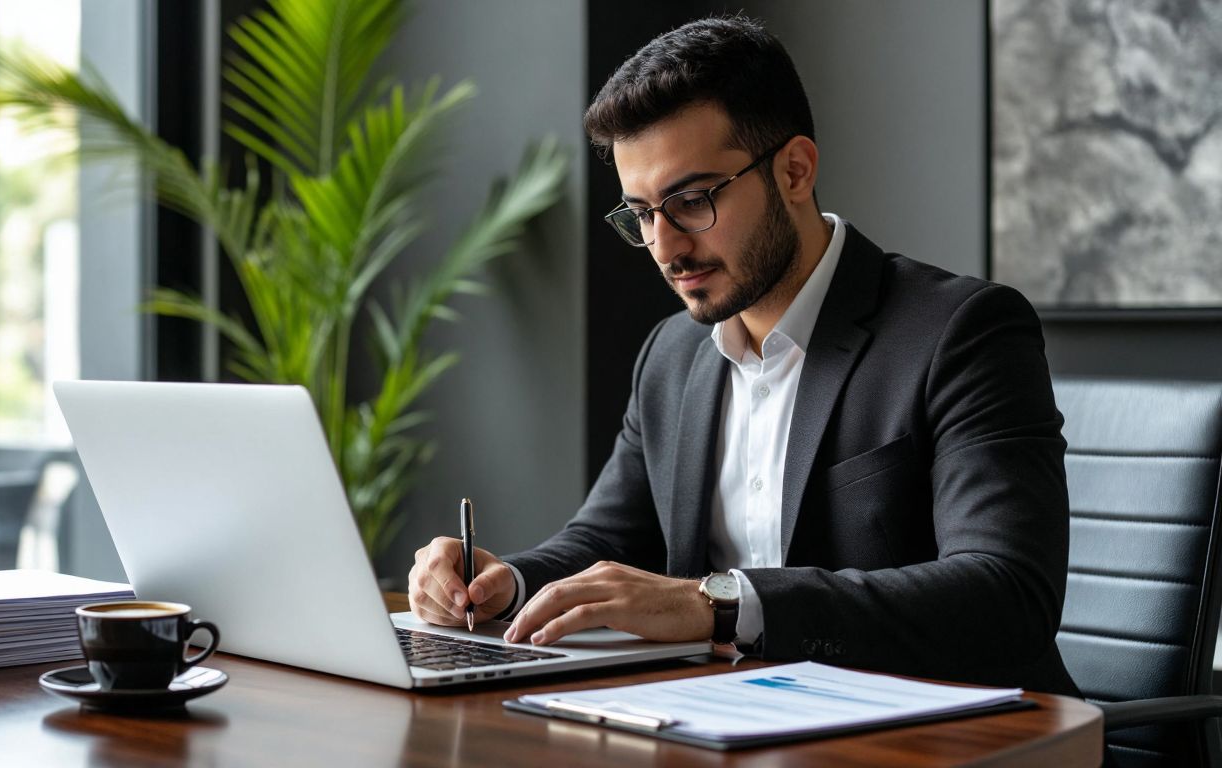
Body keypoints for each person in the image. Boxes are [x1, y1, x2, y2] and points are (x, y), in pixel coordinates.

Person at [407, 15, 1079, 696]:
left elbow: (1006, 593)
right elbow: (604, 543)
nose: (665, 247)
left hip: (952, 738)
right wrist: (501, 583)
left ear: (794, 170)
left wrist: (720, 606)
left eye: (692, 201)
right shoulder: (672, 355)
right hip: (733, 724)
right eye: (641, 213)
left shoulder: (962, 331)